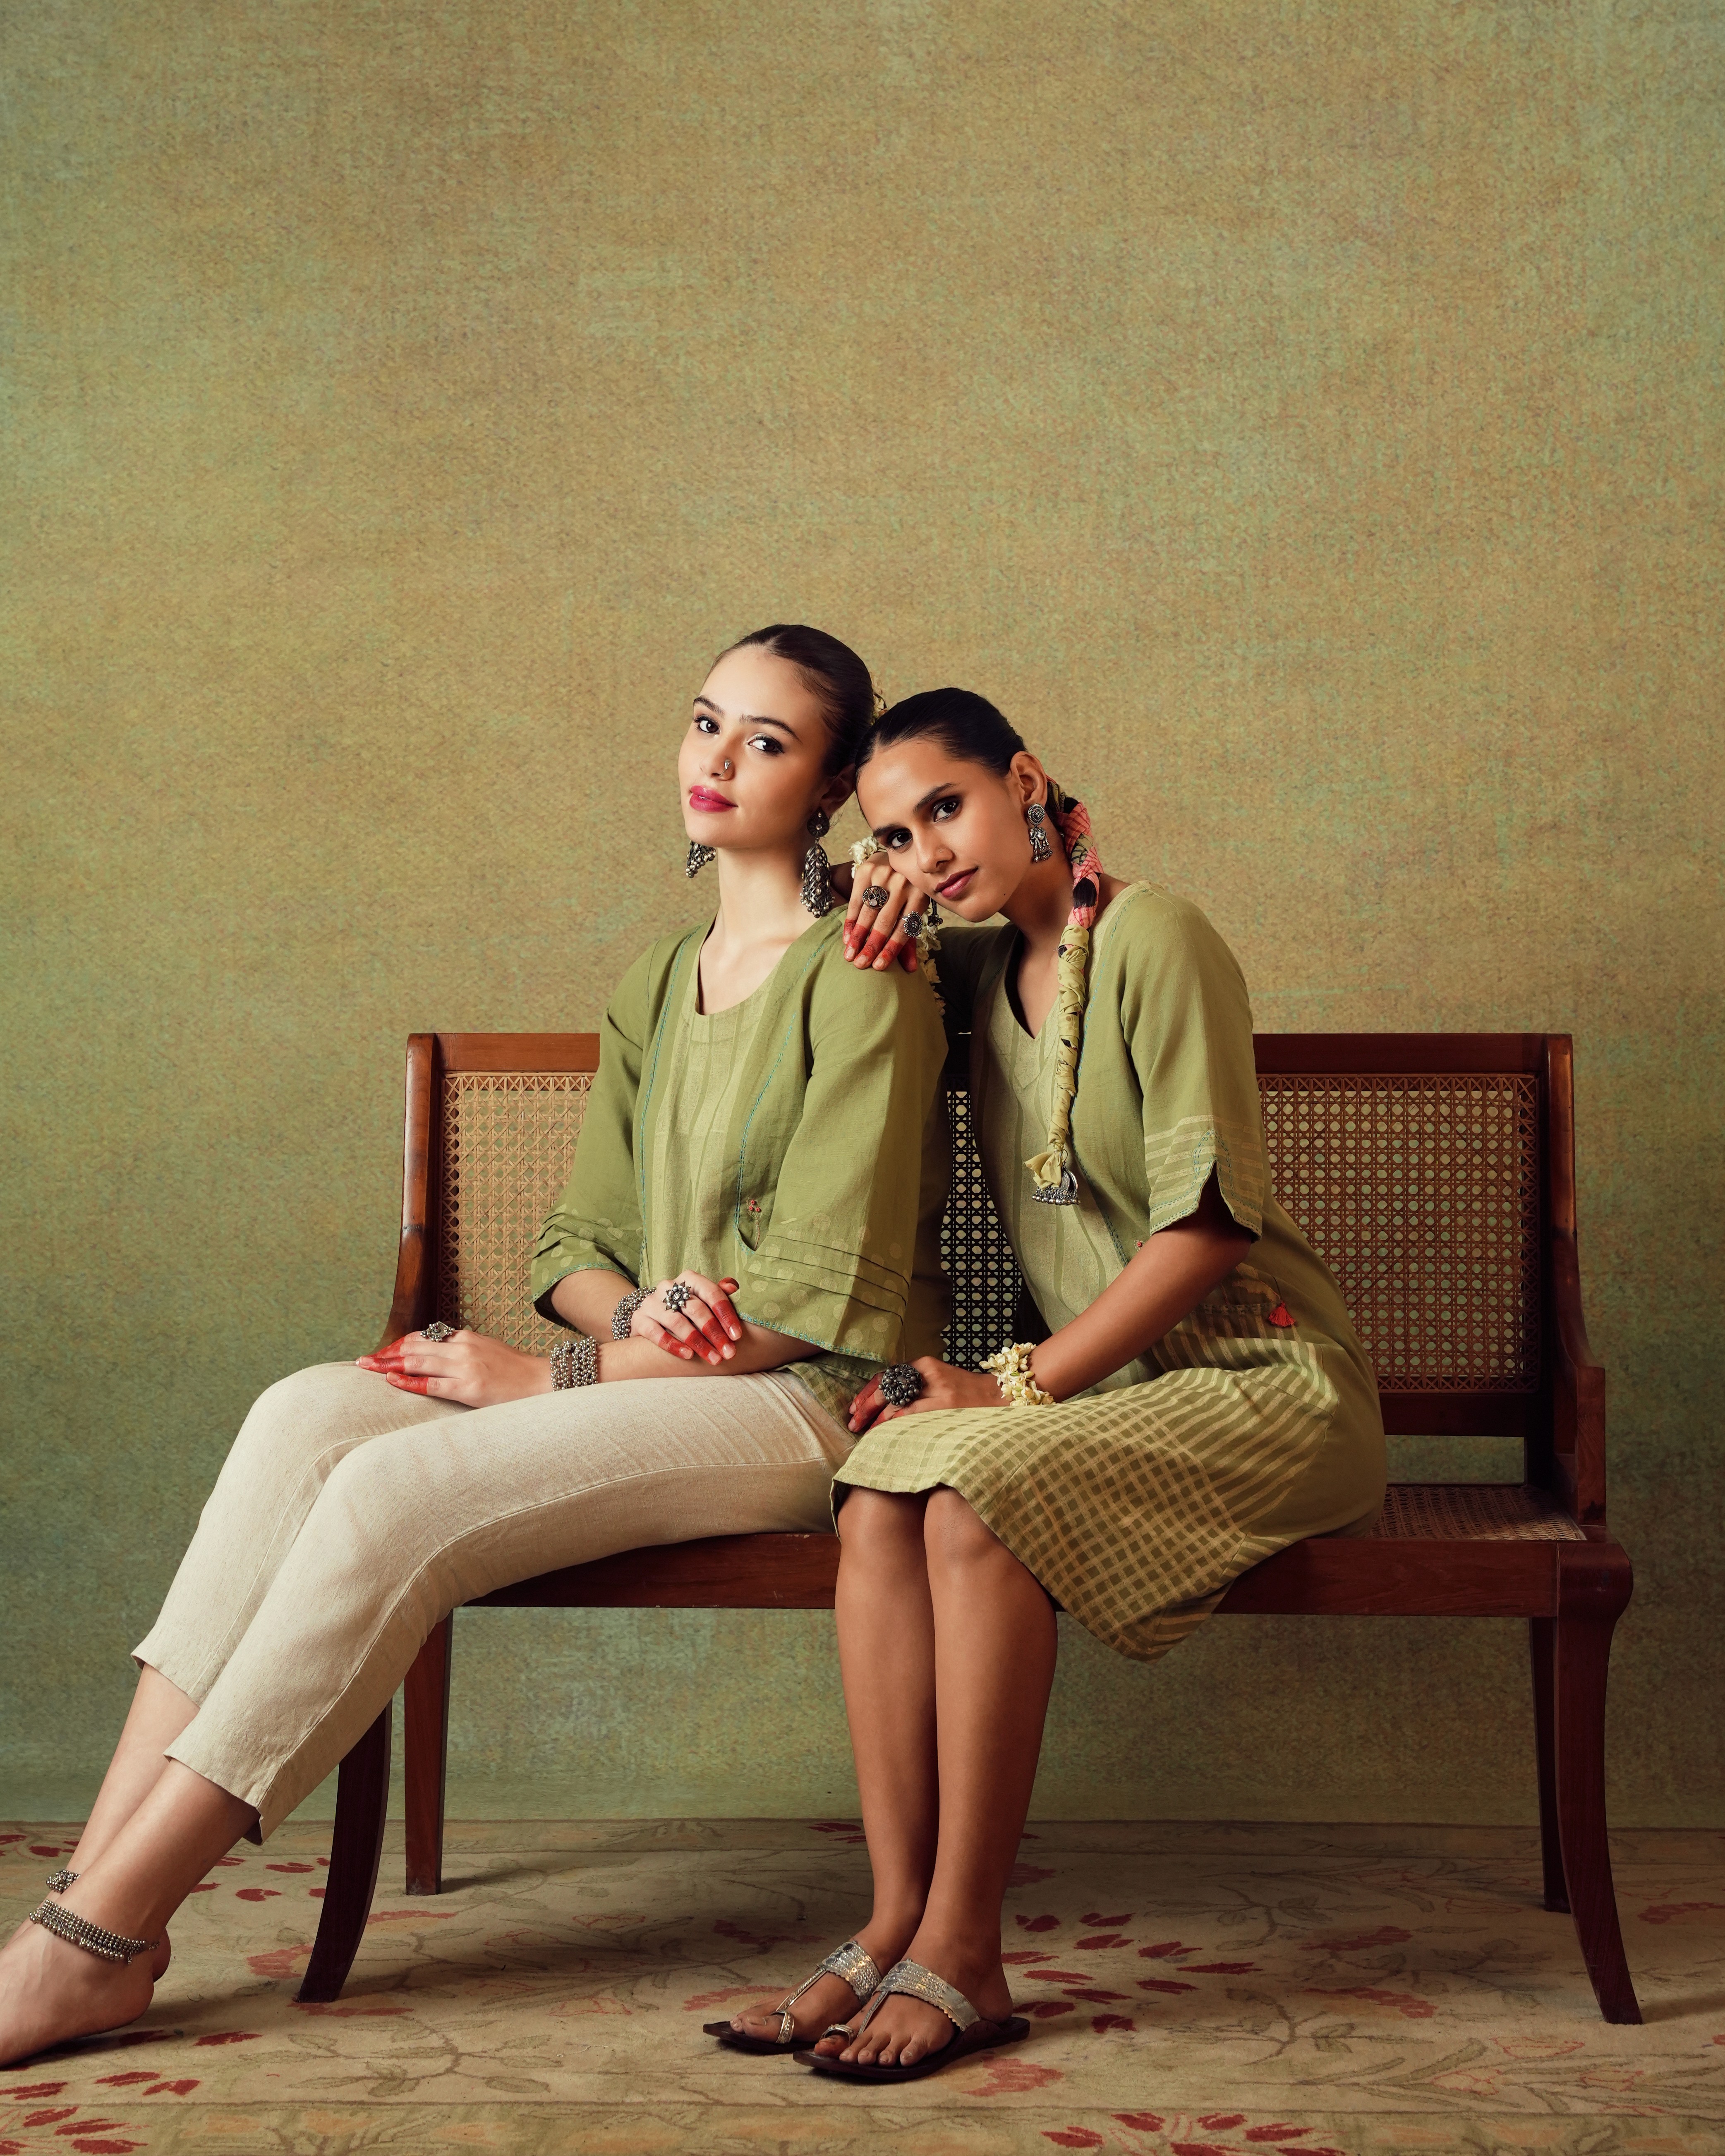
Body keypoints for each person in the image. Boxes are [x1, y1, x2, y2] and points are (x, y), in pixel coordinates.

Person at [0, 626, 951, 2067]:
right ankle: (82, 1898)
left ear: (826, 790)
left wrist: (548, 1372)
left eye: (765, 742)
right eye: (705, 723)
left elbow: (808, 1304)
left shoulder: (870, 971)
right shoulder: (656, 979)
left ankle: (95, 1943)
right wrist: (624, 1315)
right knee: (308, 1415)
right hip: (665, 1374)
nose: (715, 760)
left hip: (808, 1406)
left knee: (392, 1493)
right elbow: (571, 1250)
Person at [717, 687, 1385, 2081]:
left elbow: (1207, 1231)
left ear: (1023, 782)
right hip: (1104, 1398)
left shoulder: (1157, 936)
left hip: (1264, 1384)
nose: (928, 854)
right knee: (877, 1484)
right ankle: (897, 1913)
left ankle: (966, 1944)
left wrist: (1010, 1386)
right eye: (893, 838)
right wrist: (871, 945)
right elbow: (832, 1030)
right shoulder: (964, 972)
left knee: (967, 1490)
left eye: (945, 809)